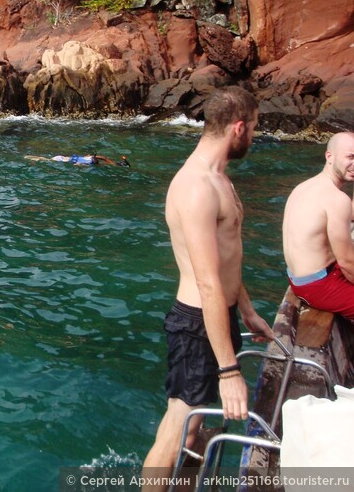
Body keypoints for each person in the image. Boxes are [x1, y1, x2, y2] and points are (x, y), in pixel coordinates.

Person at [142, 87, 274, 490]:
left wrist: (247, 310)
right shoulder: (196, 187)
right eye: (252, 127)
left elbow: (225, 262)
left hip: (220, 314)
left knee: (196, 426)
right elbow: (206, 281)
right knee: (178, 426)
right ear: (237, 128)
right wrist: (230, 370)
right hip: (198, 322)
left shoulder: (219, 179)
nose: (253, 135)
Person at [282, 131, 354, 319]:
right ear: (329, 156)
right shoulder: (337, 199)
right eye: (350, 157)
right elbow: (347, 262)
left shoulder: (305, 186)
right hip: (319, 285)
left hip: (300, 278)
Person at [24, 153, 131, 167]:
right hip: (65, 159)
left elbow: (77, 163)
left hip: (67, 159)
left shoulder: (88, 159)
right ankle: (120, 164)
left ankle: (119, 164)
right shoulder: (89, 158)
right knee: (104, 160)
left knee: (47, 159)